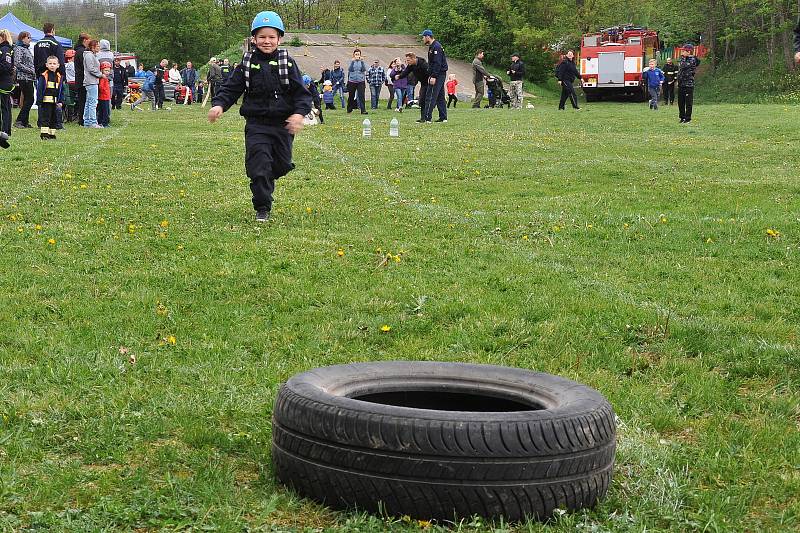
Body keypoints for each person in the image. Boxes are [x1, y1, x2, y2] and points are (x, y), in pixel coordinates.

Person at [208, 10, 311, 223]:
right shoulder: (246, 64)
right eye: (262, 37)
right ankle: (262, 206)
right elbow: (231, 89)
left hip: (283, 126)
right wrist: (219, 105)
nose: (267, 41)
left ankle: (266, 175)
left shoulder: (287, 63)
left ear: (279, 39)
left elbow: (302, 93)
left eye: (271, 37)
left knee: (282, 165)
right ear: (254, 39)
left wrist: (299, 114)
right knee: (259, 166)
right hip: (256, 125)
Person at [34, 23, 65, 129]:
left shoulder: (37, 43)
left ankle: (41, 122)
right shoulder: (56, 43)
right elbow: (60, 60)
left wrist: (38, 73)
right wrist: (61, 73)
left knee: (42, 97)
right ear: (52, 30)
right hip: (53, 75)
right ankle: (55, 123)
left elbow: (35, 61)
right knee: (53, 97)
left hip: (41, 74)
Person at [421, 29, 448, 123]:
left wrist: (433, 76)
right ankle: (443, 117)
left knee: (431, 95)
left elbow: (437, 63)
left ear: (428, 36)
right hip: (439, 74)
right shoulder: (433, 46)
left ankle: (427, 118)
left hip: (438, 74)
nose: (423, 39)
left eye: (423, 37)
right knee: (440, 96)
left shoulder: (436, 47)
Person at [395, 52, 429, 122]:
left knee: (435, 99)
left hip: (431, 82)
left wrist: (433, 79)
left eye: (408, 60)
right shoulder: (411, 65)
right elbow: (406, 72)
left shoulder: (423, 64)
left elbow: (429, 72)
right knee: (422, 99)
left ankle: (441, 117)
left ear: (414, 58)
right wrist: (399, 76)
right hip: (424, 83)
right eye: (406, 60)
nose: (407, 62)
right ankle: (423, 118)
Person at [36, 55, 64, 139]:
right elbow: (40, 89)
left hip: (55, 101)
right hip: (46, 101)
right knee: (46, 117)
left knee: (54, 118)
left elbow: (61, 90)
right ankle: (44, 134)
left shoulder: (59, 76)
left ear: (58, 65)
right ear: (46, 65)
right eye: (50, 63)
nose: (52, 65)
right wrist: (39, 101)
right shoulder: (44, 75)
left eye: (54, 63)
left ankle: (52, 133)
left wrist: (61, 101)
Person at [13, 32, 35, 129]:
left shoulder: (26, 49)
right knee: (30, 99)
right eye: (28, 37)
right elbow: (17, 63)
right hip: (24, 77)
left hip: (29, 78)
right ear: (23, 38)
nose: (30, 39)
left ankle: (25, 122)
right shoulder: (19, 49)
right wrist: (30, 70)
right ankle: (19, 120)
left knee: (28, 99)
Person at [82, 39, 103, 128]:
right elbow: (91, 68)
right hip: (91, 81)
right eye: (97, 46)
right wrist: (100, 74)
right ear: (92, 47)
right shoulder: (89, 56)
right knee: (93, 102)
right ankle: (92, 122)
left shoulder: (91, 55)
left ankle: (87, 121)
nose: (99, 47)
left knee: (89, 102)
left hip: (92, 81)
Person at [677, 44, 700, 123]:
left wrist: (684, 58)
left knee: (688, 102)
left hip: (688, 84)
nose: (682, 52)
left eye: (683, 51)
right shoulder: (683, 58)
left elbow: (683, 66)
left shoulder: (692, 60)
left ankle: (687, 118)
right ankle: (682, 117)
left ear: (688, 52)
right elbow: (680, 69)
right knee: (681, 102)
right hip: (681, 84)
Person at [0, 29, 14, 137]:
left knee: (4, 107)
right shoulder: (9, 49)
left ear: (2, 37)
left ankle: (4, 130)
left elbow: (6, 66)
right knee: (7, 106)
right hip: (8, 80)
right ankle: (7, 130)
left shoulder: (4, 49)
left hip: (3, 81)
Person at [74, 33, 90, 125]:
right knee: (83, 100)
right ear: (84, 40)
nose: (89, 42)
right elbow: (85, 66)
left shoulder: (78, 51)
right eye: (88, 40)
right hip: (82, 80)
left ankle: (82, 118)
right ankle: (82, 119)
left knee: (82, 100)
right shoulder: (82, 52)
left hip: (79, 79)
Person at [346, 49, 367, 114]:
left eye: (358, 54)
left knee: (361, 96)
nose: (357, 56)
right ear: (354, 55)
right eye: (356, 54)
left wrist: (362, 61)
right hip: (352, 81)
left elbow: (363, 69)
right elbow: (350, 69)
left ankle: (363, 110)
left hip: (360, 81)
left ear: (360, 55)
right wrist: (352, 62)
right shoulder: (351, 61)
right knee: (351, 95)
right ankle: (349, 109)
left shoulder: (362, 62)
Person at [64, 49, 77, 121]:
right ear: (72, 57)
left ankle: (69, 118)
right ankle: (76, 115)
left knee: (69, 101)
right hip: (75, 83)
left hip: (68, 84)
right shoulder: (74, 65)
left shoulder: (65, 65)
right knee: (78, 100)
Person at [97, 61, 112, 127]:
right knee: (105, 111)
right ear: (102, 70)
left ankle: (100, 121)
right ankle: (104, 123)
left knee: (102, 110)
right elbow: (101, 87)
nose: (107, 72)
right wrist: (105, 91)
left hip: (104, 96)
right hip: (104, 97)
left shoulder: (105, 78)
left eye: (108, 71)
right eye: (106, 70)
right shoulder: (104, 78)